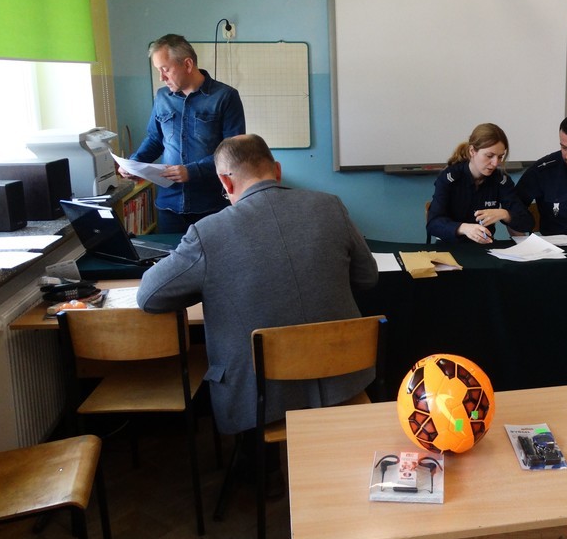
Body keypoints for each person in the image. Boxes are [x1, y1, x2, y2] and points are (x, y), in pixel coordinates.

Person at [136, 134, 379, 483]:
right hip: (343, 377)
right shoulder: (331, 206)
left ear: (225, 182)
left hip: (261, 395)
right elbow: (368, 278)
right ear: (276, 170)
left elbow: (149, 297)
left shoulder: (207, 233)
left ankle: (262, 475)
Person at [119, 33, 246, 234]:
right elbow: (155, 139)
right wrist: (134, 164)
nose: (161, 77)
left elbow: (234, 152)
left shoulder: (225, 97)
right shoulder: (162, 97)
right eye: (158, 71)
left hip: (211, 205)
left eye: (165, 69)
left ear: (187, 64)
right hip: (169, 206)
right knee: (172, 254)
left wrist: (192, 171)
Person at [426, 123, 534, 243]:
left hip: (485, 247)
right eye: (489, 156)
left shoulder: (501, 180)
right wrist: (463, 228)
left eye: (500, 157)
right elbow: (433, 224)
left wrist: (505, 214)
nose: (495, 163)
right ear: (472, 151)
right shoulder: (450, 178)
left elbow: (528, 223)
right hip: (451, 246)